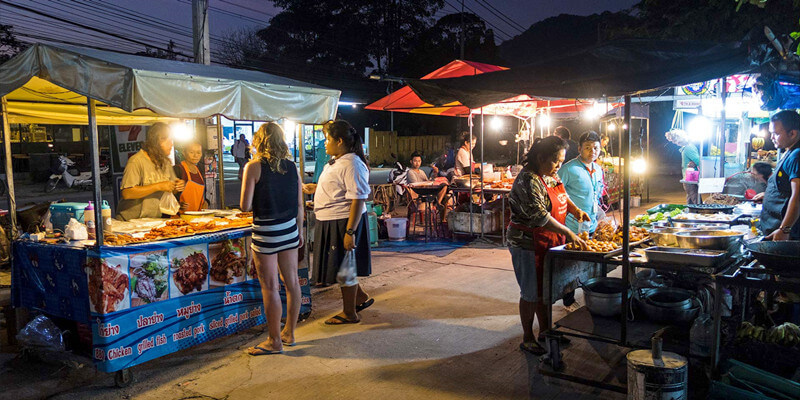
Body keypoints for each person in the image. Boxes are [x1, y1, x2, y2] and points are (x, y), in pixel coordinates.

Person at [507, 136, 589, 355]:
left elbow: (563, 194)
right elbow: (540, 216)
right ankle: (527, 338)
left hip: (549, 240)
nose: (558, 166)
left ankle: (545, 331)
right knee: (531, 293)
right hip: (527, 243)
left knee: (545, 290)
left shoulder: (550, 175)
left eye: (561, 161)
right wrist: (568, 232)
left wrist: (574, 210)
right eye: (555, 161)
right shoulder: (528, 180)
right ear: (540, 157)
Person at [240, 122, 303, 355]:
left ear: (259, 140)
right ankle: (290, 333)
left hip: (266, 233)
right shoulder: (292, 166)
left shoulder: (254, 166)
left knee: (270, 286)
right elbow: (299, 205)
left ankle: (274, 341)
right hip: (289, 230)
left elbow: (245, 206)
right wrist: (301, 233)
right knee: (292, 282)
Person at [305, 120, 374, 324]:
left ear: (340, 140)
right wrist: (315, 190)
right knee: (341, 265)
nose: (325, 143)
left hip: (343, 221)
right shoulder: (337, 160)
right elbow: (338, 189)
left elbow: (358, 198)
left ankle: (349, 313)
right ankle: (359, 298)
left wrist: (349, 232)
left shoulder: (352, 163)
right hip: (330, 219)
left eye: (328, 139)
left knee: (345, 268)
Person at [117, 122, 185, 221]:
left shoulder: (165, 163)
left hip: (153, 220)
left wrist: (177, 185)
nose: (171, 144)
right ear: (156, 141)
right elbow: (127, 193)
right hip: (129, 221)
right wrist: (158, 186)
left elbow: (171, 188)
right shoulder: (136, 161)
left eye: (172, 140)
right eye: (168, 140)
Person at [754, 110, 800, 240]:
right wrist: (769, 195)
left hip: (786, 235)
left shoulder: (796, 155)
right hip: (774, 227)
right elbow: (787, 189)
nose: (771, 137)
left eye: (776, 133)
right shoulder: (789, 152)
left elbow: (797, 197)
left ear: (792, 133)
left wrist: (784, 230)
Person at [558, 131, 605, 234]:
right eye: (587, 148)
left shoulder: (598, 169)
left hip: (592, 226)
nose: (592, 151)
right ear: (579, 149)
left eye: (596, 148)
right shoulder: (568, 169)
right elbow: (556, 193)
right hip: (571, 227)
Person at [666, 130, 701, 204]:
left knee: (695, 199)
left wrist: (694, 164)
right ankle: (692, 213)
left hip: (690, 178)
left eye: (674, 140)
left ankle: (700, 213)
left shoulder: (688, 148)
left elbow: (698, 161)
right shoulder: (688, 147)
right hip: (689, 178)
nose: (674, 142)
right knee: (691, 199)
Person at [174, 140, 207, 212]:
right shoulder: (178, 169)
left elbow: (202, 195)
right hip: (181, 217)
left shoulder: (200, 169)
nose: (195, 156)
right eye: (191, 152)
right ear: (184, 153)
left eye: (198, 152)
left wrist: (206, 202)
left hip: (198, 215)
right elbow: (170, 194)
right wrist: (178, 204)